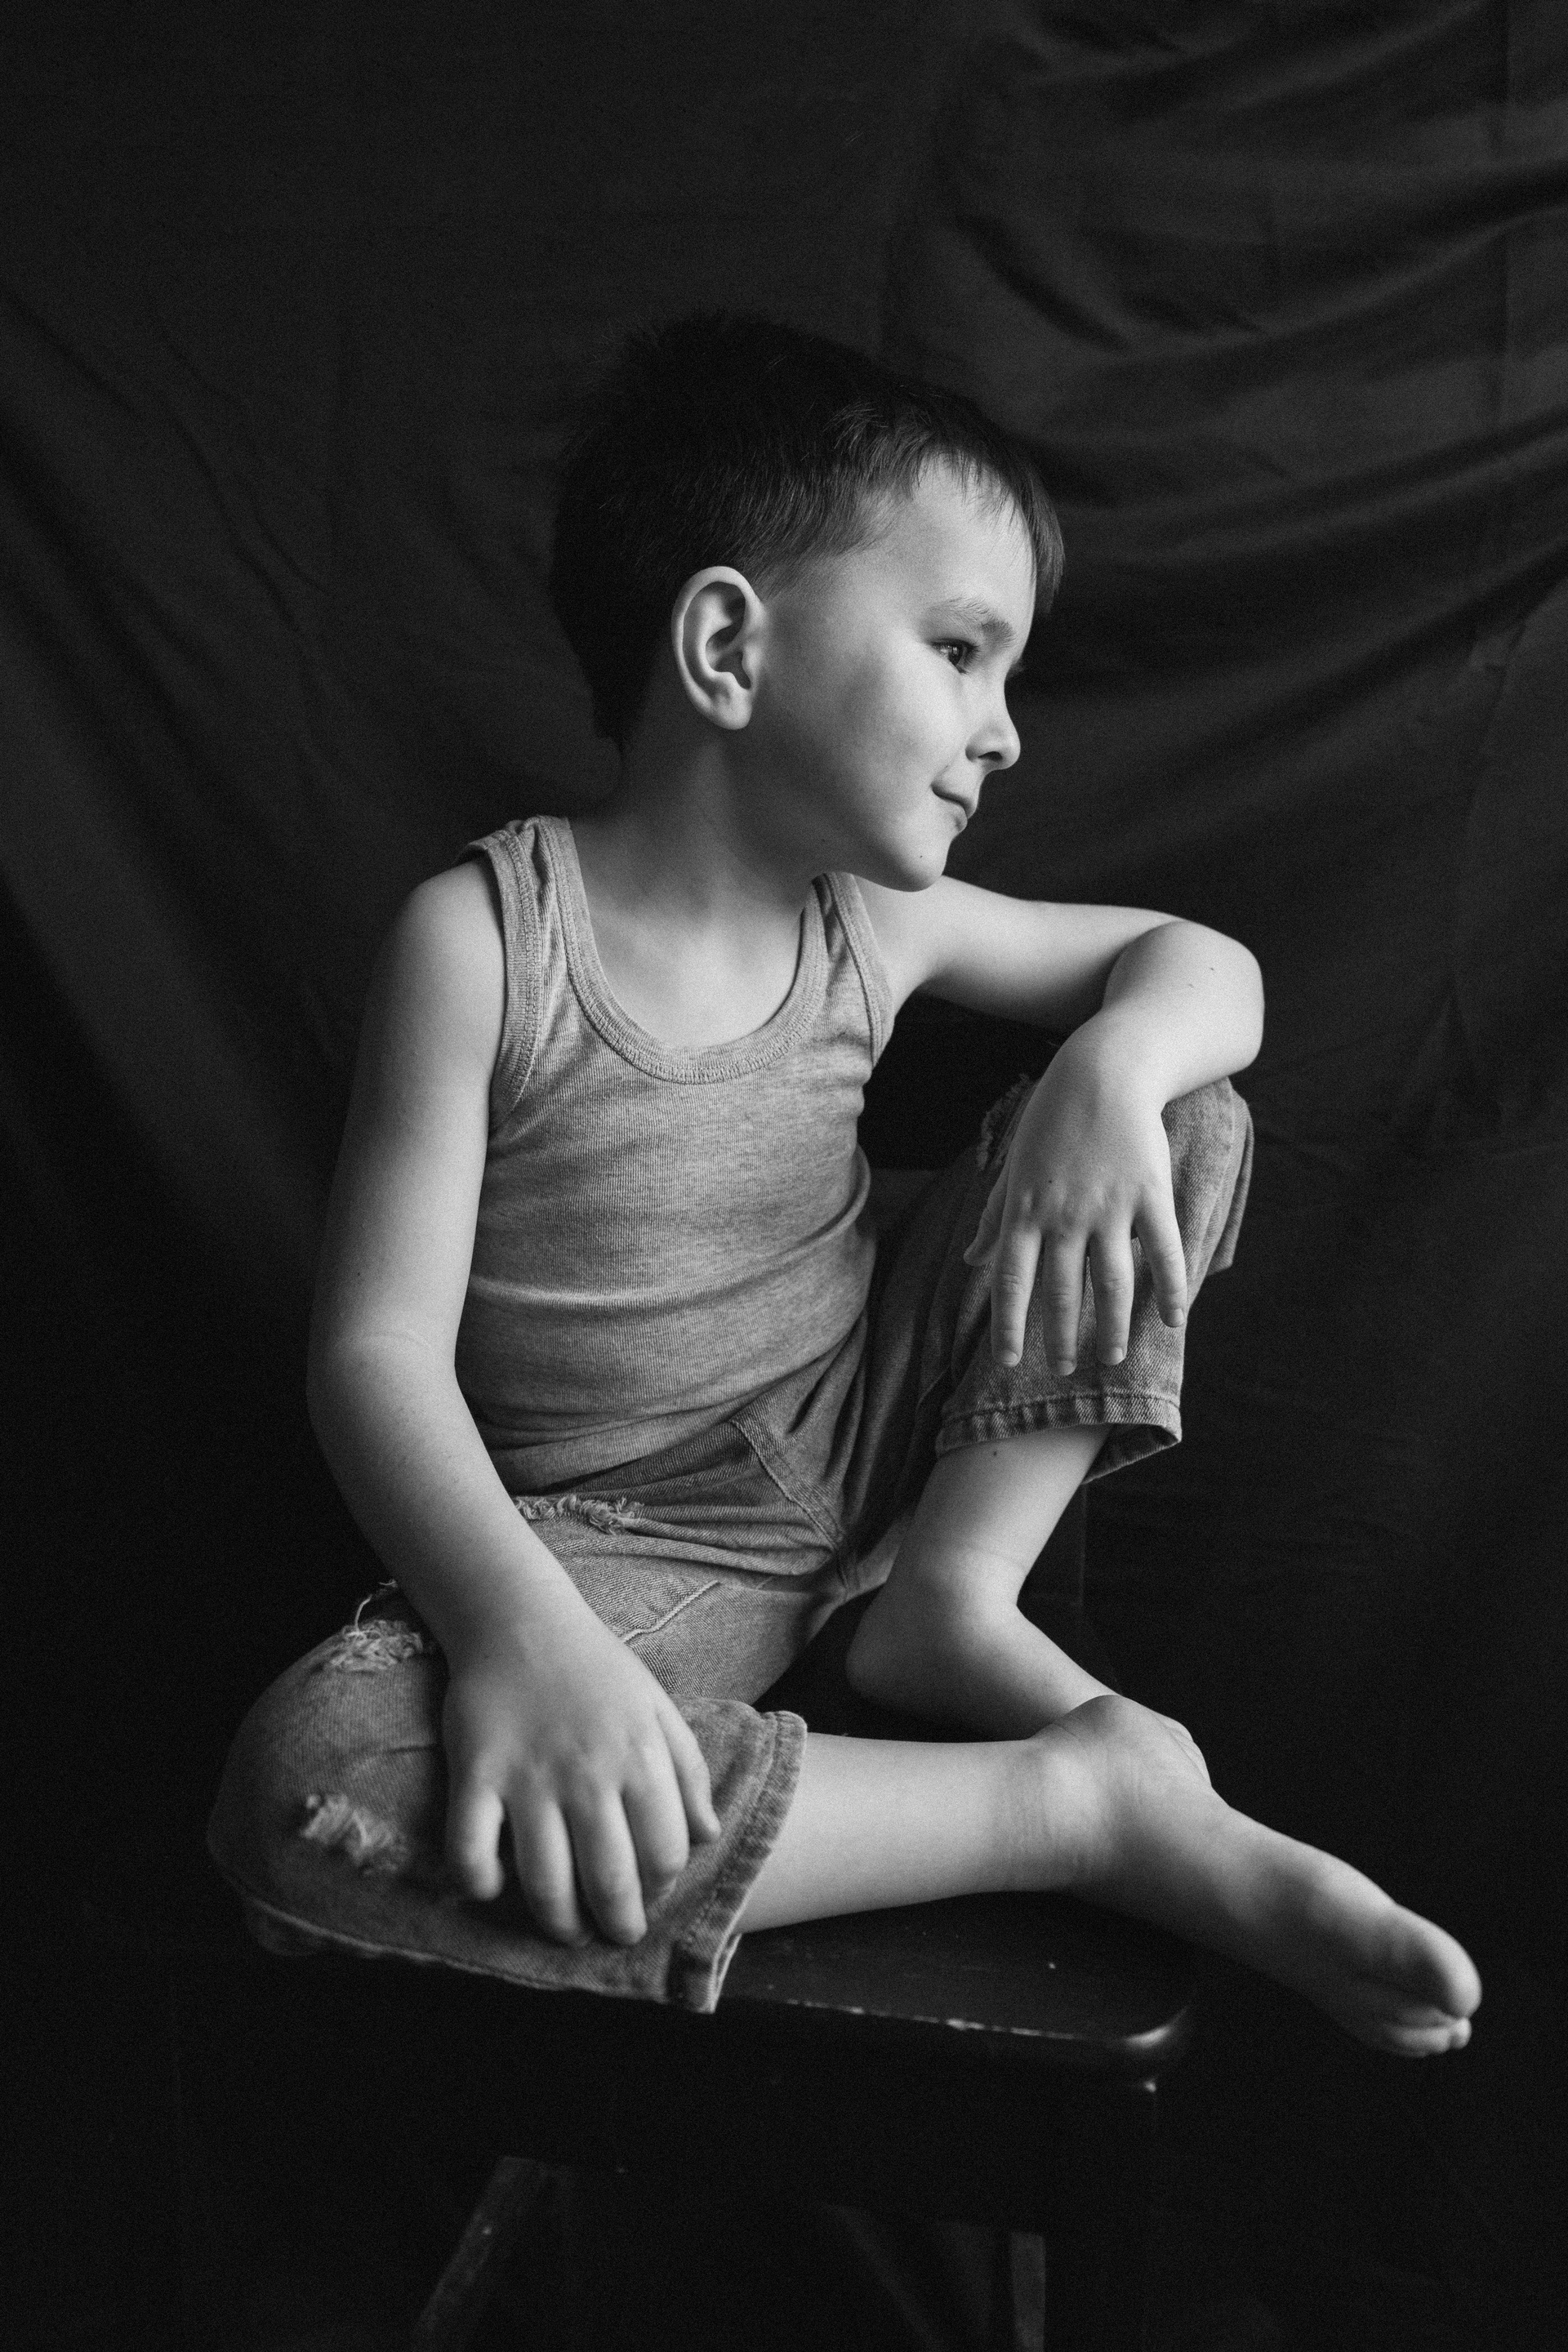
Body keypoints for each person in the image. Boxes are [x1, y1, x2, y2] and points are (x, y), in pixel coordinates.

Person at [210, 315, 1480, 2058]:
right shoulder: (486, 944)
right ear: (728, 646)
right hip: (626, 1549)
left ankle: (948, 1606)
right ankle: (1068, 1809)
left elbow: (1210, 969)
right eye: (960, 651)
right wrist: (524, 1640)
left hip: (878, 1419)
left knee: (1186, 1106)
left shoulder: (875, 925)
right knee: (318, 1785)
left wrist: (1109, 1070)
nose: (1002, 733)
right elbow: (374, 1356)